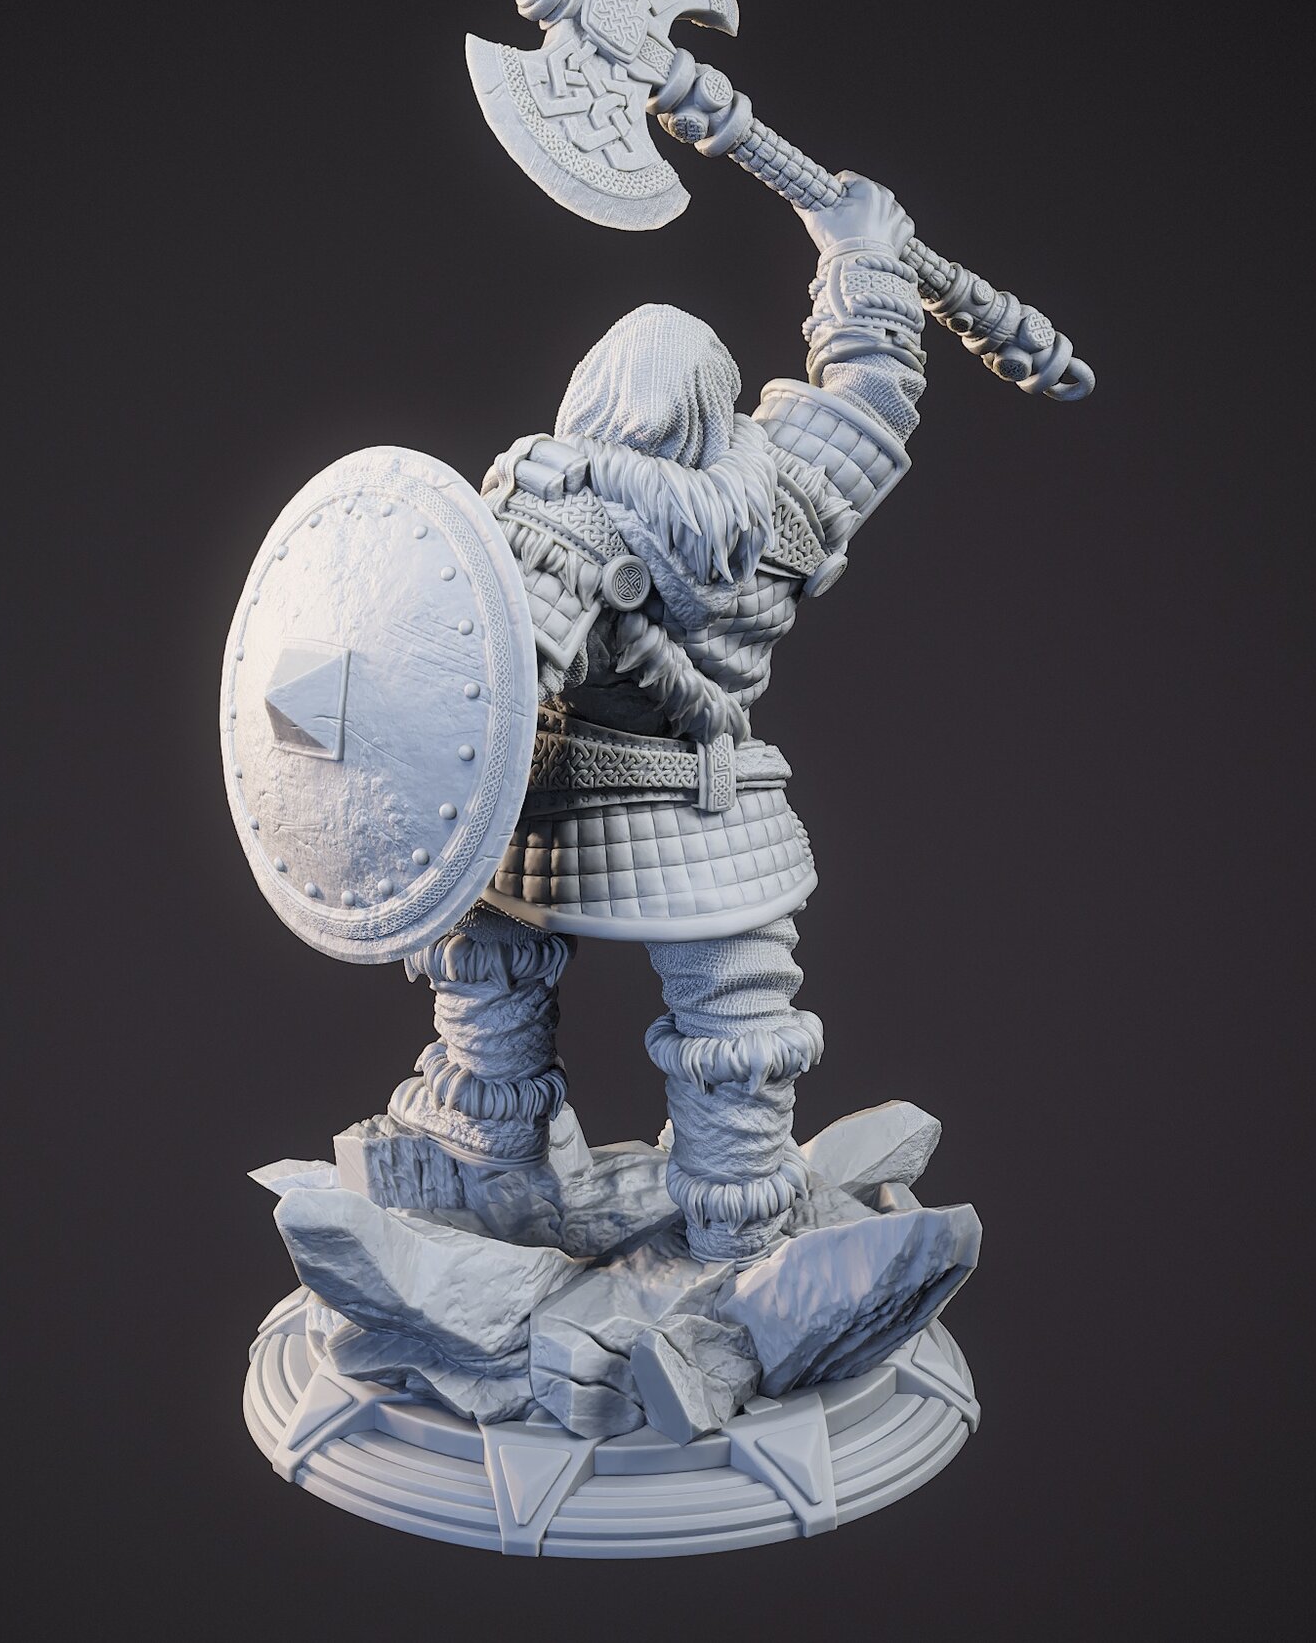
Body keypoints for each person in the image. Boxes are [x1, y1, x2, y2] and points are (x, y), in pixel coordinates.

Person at [391, 175, 927, 1263]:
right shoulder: (781, 501)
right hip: (717, 824)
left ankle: (497, 1171)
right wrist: (861, 256)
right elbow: (871, 395)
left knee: (488, 964)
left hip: (553, 818)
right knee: (736, 1029)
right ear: (717, 410)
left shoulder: (551, 517)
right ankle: (742, 1231)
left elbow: (488, 687)